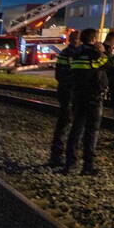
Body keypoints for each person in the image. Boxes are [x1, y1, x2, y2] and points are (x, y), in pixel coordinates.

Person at [65, 28, 108, 175]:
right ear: (94, 39)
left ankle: (70, 163)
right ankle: (87, 166)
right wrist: (103, 51)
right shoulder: (94, 54)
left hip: (78, 95)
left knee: (76, 129)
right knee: (91, 131)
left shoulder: (76, 53)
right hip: (93, 97)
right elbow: (109, 65)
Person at [48, 30, 79, 167]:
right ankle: (58, 154)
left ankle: (60, 154)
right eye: (75, 39)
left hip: (70, 92)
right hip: (69, 92)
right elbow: (60, 74)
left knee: (67, 122)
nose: (77, 42)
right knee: (66, 122)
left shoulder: (69, 53)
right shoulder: (68, 54)